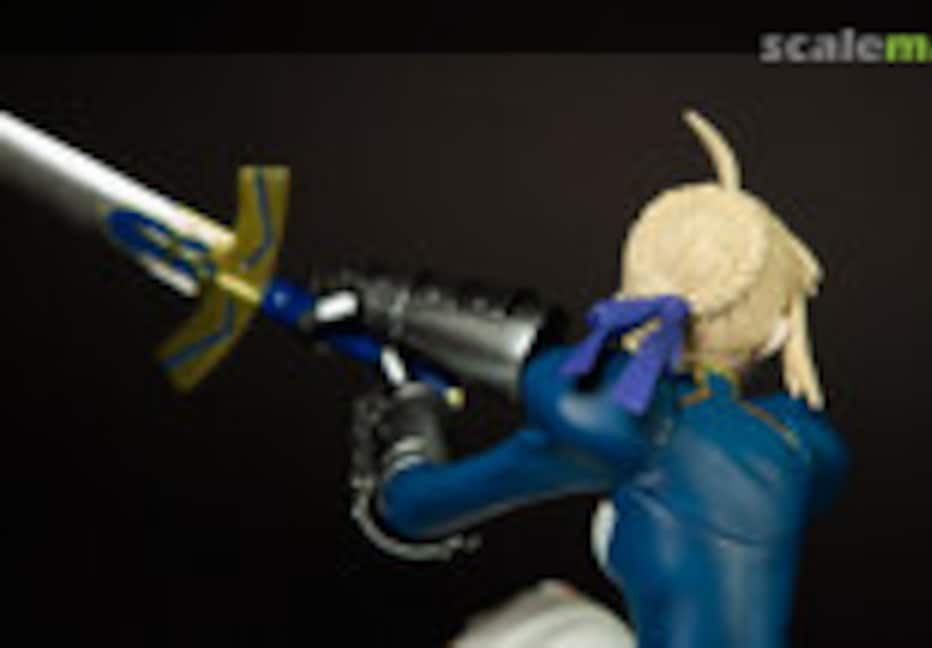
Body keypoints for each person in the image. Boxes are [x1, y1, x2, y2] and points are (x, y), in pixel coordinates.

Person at [347, 110, 849, 648]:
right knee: (571, 619)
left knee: (550, 620)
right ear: (778, 330)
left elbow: (414, 509)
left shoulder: (632, 428)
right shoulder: (803, 444)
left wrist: (410, 419)